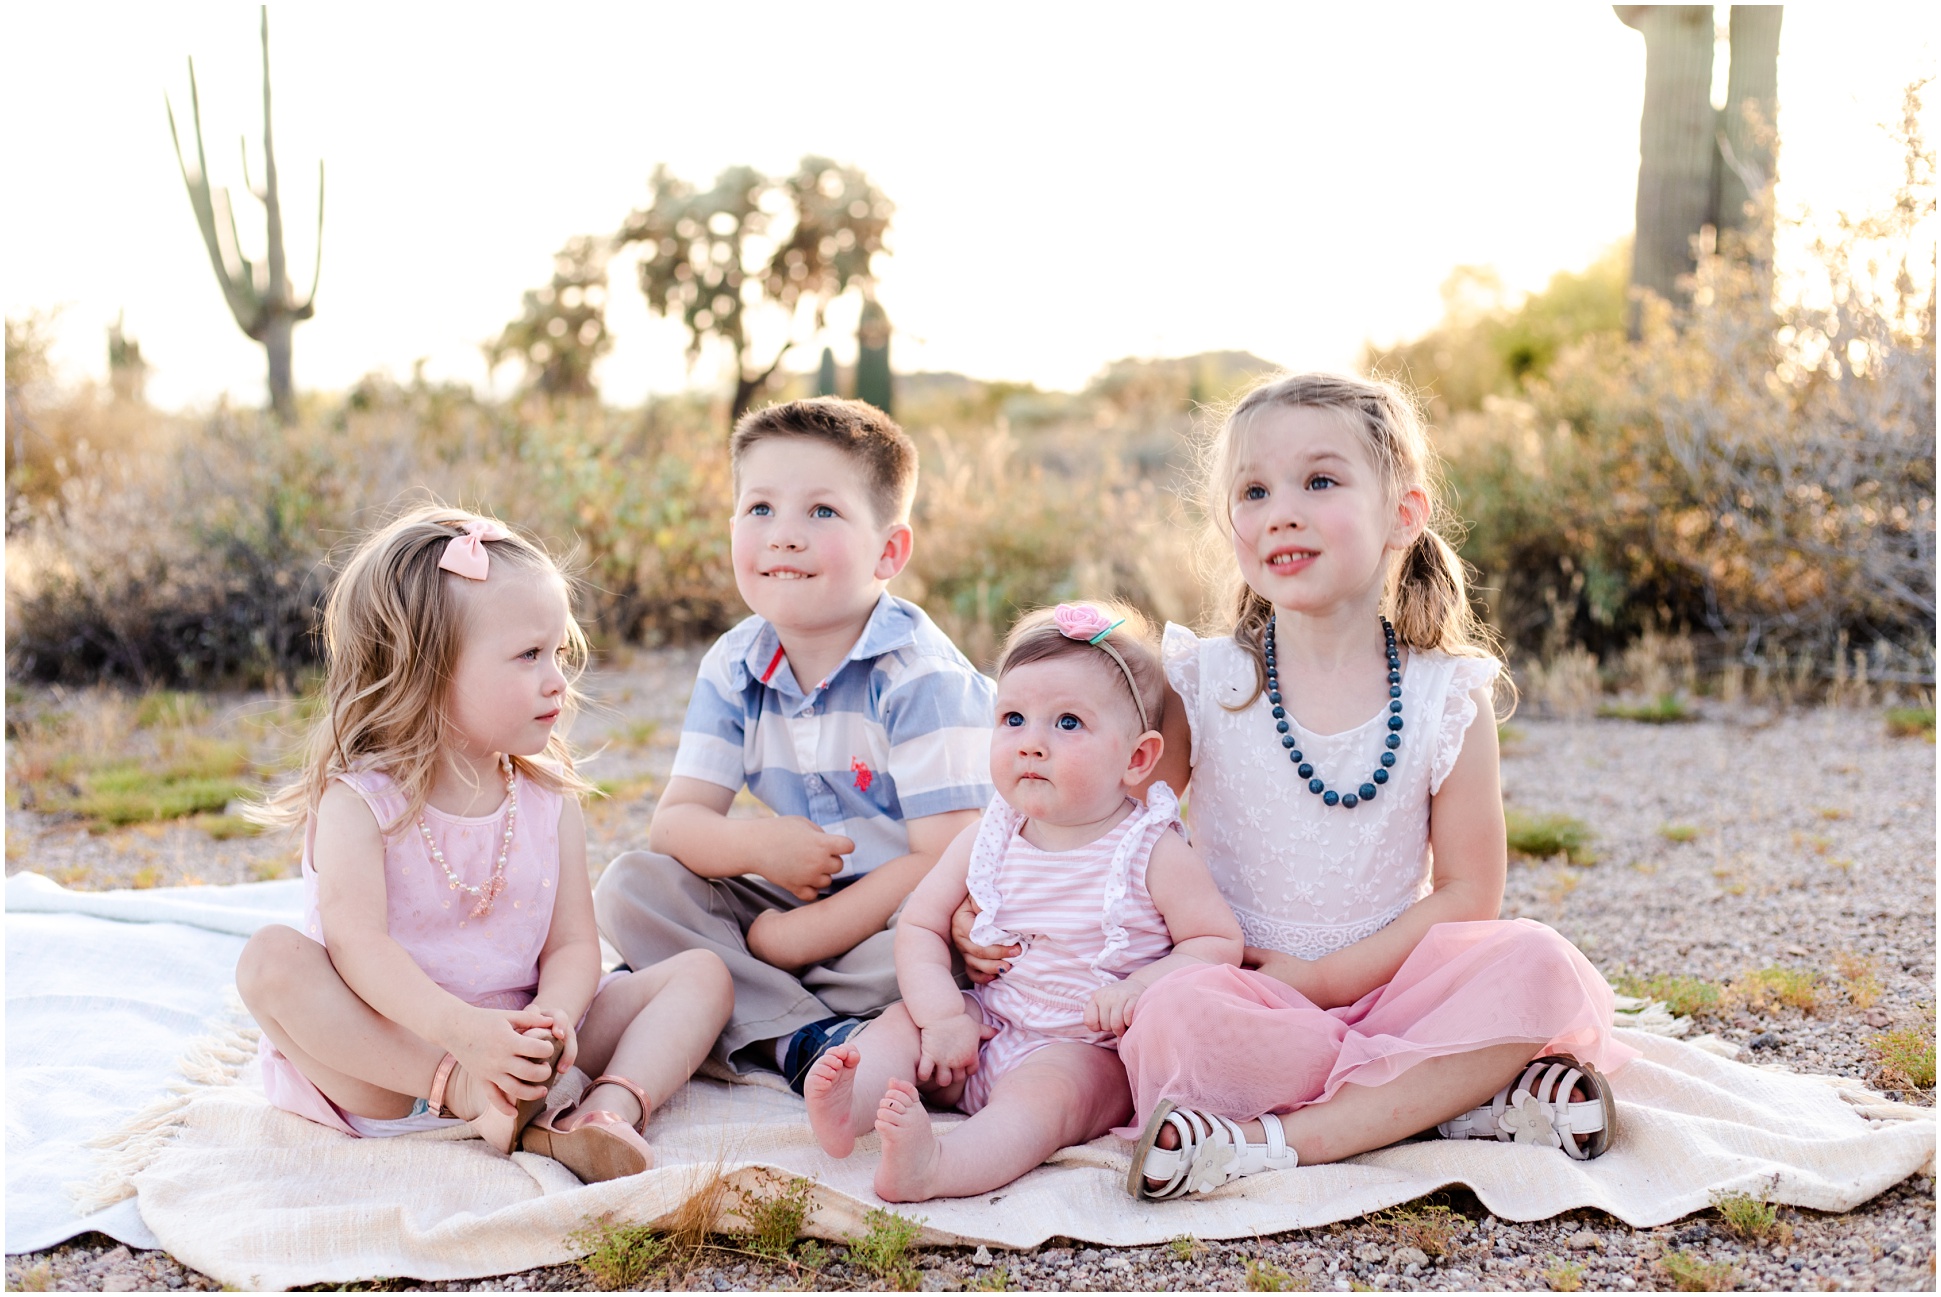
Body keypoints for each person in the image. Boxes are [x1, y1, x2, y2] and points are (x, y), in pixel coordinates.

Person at [958, 373, 1632, 1199]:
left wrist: (1318, 980)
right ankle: (1432, 1103)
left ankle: (1269, 1138)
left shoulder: (1444, 693)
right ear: (1231, 523)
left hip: (1394, 986)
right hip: (1243, 991)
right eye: (1253, 489)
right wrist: (983, 904)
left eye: (1320, 481)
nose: (1281, 509)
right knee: (1169, 1017)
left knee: (1537, 962)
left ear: (1403, 514)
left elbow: (1467, 892)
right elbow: (1111, 837)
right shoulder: (1203, 683)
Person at [237, 506, 732, 1185]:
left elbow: (572, 946)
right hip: (398, 1057)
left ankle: (603, 1111)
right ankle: (471, 1097)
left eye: (558, 652)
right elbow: (359, 949)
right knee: (269, 962)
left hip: (526, 1042)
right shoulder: (360, 802)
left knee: (701, 975)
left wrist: (551, 1020)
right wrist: (464, 1042)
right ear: (428, 670)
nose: (558, 678)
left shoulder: (545, 797)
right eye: (529, 655)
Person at [594, 398, 997, 1092]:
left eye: (821, 512)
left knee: (953, 951)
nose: (783, 535)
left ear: (889, 550)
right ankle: (804, 1033)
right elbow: (676, 821)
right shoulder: (734, 663)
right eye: (759, 509)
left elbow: (942, 860)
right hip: (787, 912)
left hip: (899, 916)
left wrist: (799, 938)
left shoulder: (919, 676)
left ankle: (742, 1009)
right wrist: (759, 847)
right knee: (630, 886)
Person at [804, 602, 1244, 1202]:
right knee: (897, 1027)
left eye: (1067, 724)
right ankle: (849, 1106)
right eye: (1013, 718)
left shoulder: (1152, 850)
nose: (1032, 743)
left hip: (1085, 1046)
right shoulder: (991, 833)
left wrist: (1140, 988)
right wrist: (941, 1017)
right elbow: (921, 926)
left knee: (1050, 1098)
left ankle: (940, 1164)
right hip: (981, 1025)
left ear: (1136, 758)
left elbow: (1217, 943)